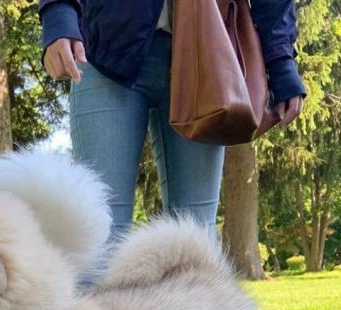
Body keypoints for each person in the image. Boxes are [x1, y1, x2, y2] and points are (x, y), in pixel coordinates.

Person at [39, 0, 306, 238]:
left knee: (196, 240)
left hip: (207, 61)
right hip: (104, 50)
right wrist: (58, 13)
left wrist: (281, 60)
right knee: (99, 232)